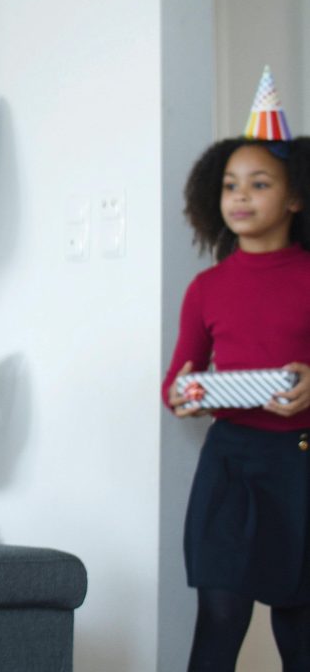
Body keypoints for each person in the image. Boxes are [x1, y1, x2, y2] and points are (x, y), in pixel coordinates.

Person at [163, 70, 310, 670]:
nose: (240, 197)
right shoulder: (206, 287)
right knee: (218, 621)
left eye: (259, 183)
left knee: (299, 632)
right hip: (227, 465)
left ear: (295, 195)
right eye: (230, 186)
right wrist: (183, 394)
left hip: (299, 467)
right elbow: (177, 378)